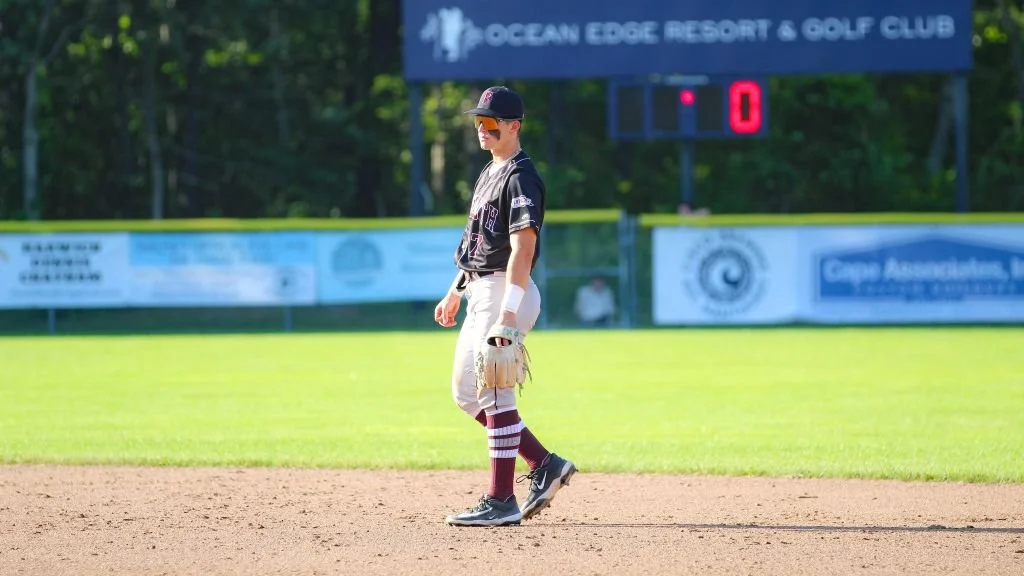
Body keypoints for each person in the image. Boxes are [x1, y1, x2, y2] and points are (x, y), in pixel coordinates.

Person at [433, 86, 577, 527]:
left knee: (495, 391)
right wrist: (456, 288)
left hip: (504, 293)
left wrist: (508, 313)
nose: (482, 128)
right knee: (465, 394)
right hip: (480, 288)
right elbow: (480, 243)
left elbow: (522, 249)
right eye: (479, 121)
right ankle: (544, 463)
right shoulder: (489, 172)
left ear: (514, 126)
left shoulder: (520, 175)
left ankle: (501, 499)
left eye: (491, 122)